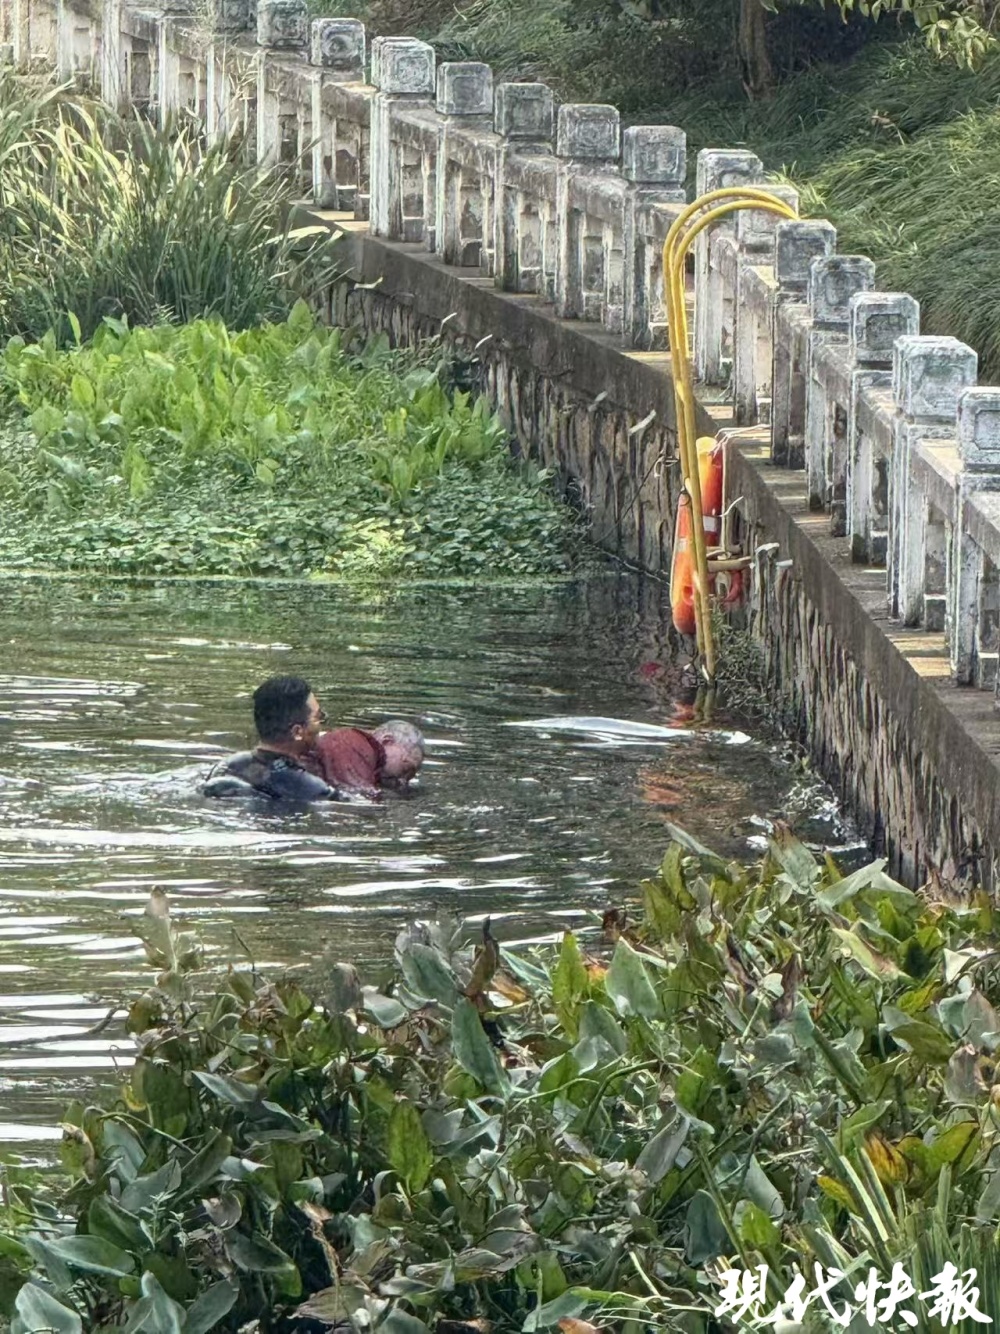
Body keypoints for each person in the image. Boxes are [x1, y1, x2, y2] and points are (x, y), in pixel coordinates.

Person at [203, 675, 340, 801]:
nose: (321, 725)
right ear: (297, 732)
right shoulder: (313, 789)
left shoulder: (226, 766)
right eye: (318, 717)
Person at [309, 719, 425, 799]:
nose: (402, 781)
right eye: (405, 769)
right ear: (387, 741)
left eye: (409, 778)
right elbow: (355, 795)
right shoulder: (350, 741)